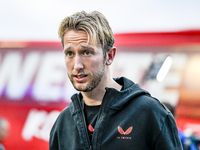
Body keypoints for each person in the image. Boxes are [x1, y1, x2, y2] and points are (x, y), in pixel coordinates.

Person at [49, 11, 183, 150]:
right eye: (70, 53)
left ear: (110, 56)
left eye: (87, 52)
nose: (77, 65)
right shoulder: (63, 123)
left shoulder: (151, 114)